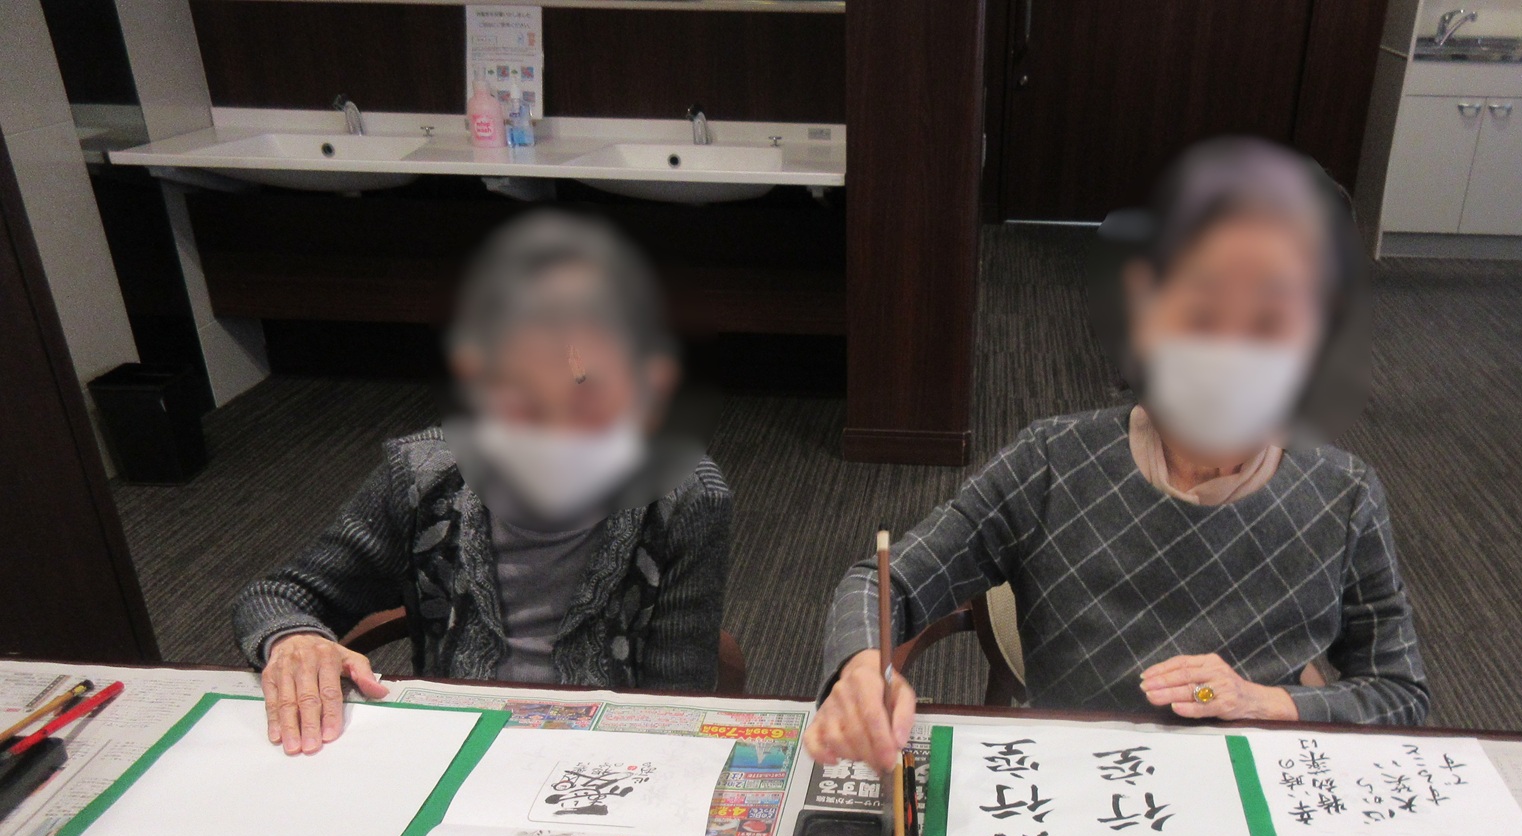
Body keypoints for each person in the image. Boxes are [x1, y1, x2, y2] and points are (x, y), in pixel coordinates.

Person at [805, 138, 1427, 771]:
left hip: (1248, 784)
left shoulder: (1343, 495)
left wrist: (1263, 701)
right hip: (1072, 779)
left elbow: (1400, 692)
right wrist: (861, 668)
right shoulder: (1054, 461)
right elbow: (886, 581)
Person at [233, 211, 732, 755]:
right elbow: (277, 595)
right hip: (453, 746)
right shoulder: (424, 475)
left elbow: (675, 703)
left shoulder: (684, 497)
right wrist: (295, 639)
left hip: (602, 754)